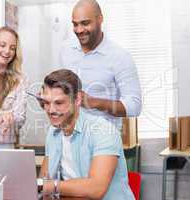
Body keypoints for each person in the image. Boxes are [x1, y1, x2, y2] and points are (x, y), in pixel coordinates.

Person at [39, 69, 135, 199]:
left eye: (59, 103)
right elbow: (44, 181)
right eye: (46, 103)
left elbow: (96, 189)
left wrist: (51, 187)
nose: (51, 110)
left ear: (78, 99)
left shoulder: (103, 130)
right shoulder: (53, 132)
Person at [59, 0, 142, 129]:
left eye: (85, 23)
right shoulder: (66, 50)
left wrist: (93, 102)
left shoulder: (120, 57)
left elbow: (135, 106)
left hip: (105, 139)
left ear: (100, 19)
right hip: (70, 136)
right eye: (75, 24)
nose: (79, 30)